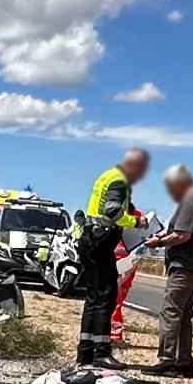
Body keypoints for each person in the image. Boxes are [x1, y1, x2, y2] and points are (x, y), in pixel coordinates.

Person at [76, 148, 149, 366]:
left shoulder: (108, 176)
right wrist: (137, 222)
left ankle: (86, 351)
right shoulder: (119, 181)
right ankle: (101, 353)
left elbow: (111, 205)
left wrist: (131, 209)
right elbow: (112, 211)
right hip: (100, 243)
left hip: (90, 241)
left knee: (94, 298)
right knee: (105, 297)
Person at [145, 164, 193, 378]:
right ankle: (184, 363)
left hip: (184, 268)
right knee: (184, 316)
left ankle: (167, 361)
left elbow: (182, 235)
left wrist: (158, 242)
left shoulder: (190, 202)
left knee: (171, 313)